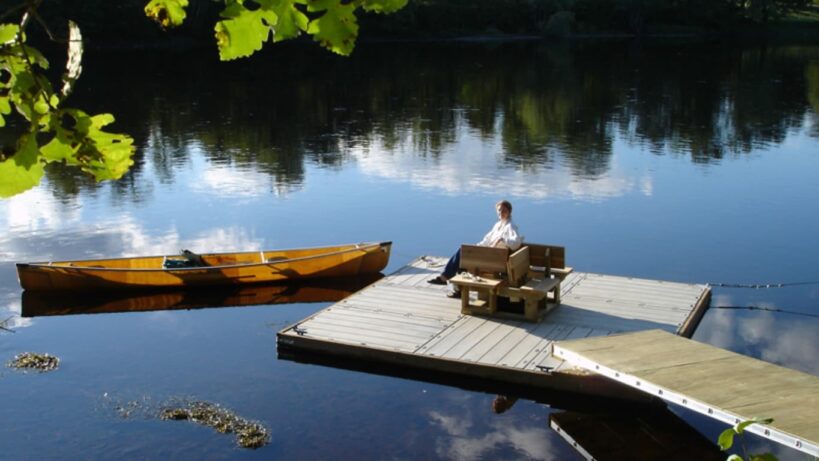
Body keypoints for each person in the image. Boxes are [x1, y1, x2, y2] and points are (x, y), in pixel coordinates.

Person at [428, 200, 523, 289]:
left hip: (495, 259)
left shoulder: (511, 226)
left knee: (462, 253)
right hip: (489, 254)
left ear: (509, 211)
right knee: (464, 253)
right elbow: (486, 240)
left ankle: (445, 278)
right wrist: (476, 248)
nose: (501, 213)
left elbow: (516, 243)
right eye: (499, 210)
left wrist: (503, 239)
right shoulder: (498, 225)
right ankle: (457, 287)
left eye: (504, 210)